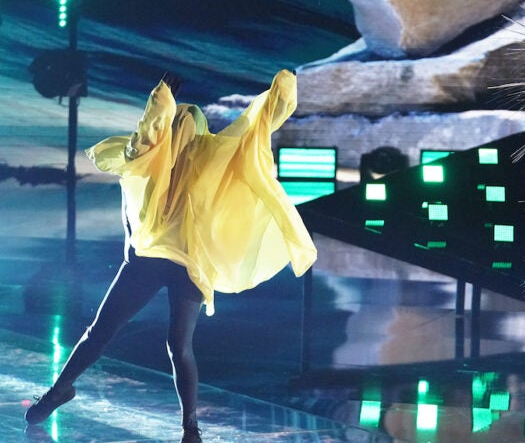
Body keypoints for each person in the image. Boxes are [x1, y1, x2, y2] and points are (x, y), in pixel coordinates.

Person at [25, 70, 317, 443]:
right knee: (163, 343)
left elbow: (236, 131)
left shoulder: (170, 156)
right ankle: (182, 426)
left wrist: (162, 97)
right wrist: (279, 93)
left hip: (165, 263)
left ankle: (69, 395)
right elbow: (250, 130)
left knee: (131, 338)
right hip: (165, 263)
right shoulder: (171, 157)